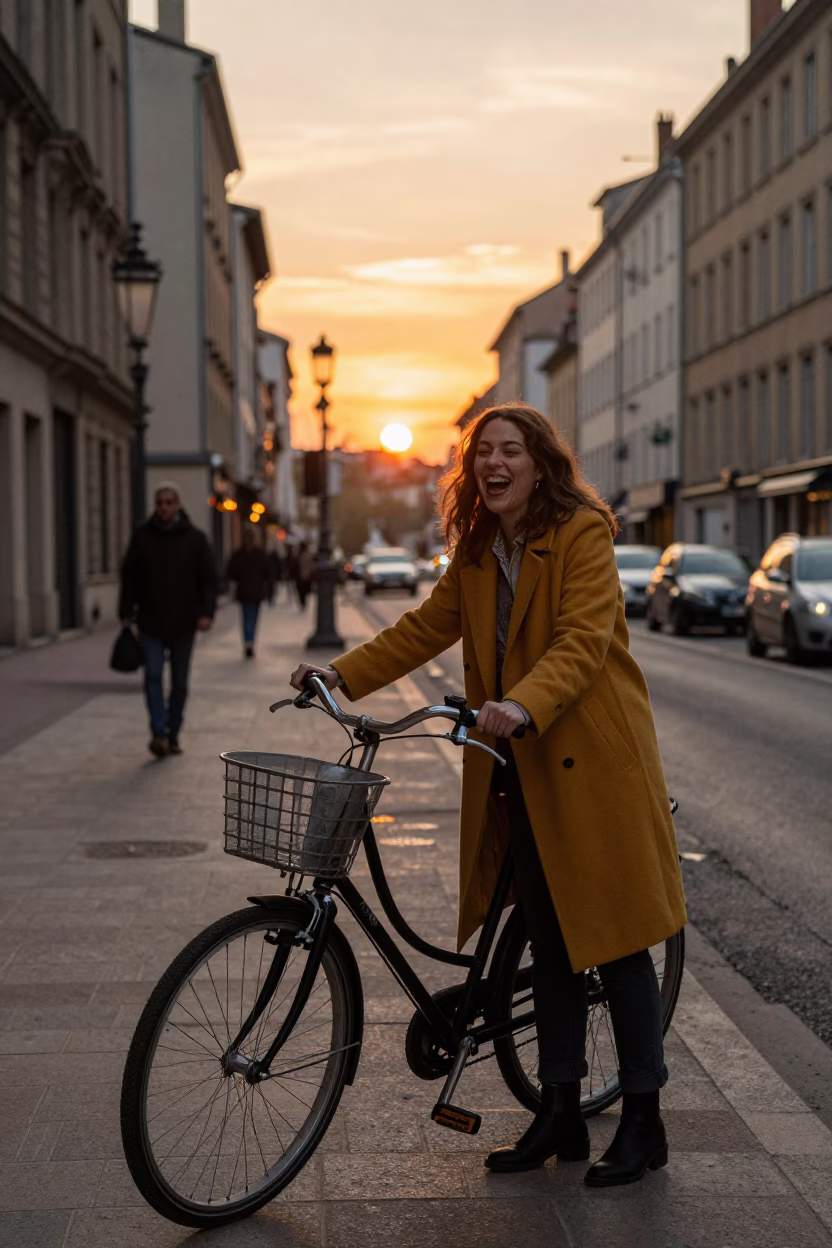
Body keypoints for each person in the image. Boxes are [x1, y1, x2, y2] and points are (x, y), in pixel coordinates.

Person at [291, 403, 686, 1188]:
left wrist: (524, 703)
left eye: (510, 451)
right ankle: (561, 1109)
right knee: (552, 941)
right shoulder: (477, 547)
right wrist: (342, 671)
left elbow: (584, 639)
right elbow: (425, 626)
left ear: (542, 463)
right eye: (482, 455)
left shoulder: (581, 533)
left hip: (589, 762)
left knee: (613, 941)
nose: (494, 465)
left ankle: (644, 1120)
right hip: (519, 769)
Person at [119, 482, 216, 758]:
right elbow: (129, 577)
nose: (163, 507)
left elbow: (208, 579)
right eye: (159, 503)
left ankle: (173, 734)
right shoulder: (142, 537)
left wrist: (207, 613)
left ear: (177, 505)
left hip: (184, 622)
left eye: (168, 502)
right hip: (150, 622)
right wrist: (126, 613)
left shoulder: (195, 539)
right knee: (152, 677)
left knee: (180, 683)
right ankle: (158, 733)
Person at [227, 529, 272, 658]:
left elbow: (231, 571)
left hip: (245, 591)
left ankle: (248, 641)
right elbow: (267, 572)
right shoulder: (260, 554)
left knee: (246, 616)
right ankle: (250, 641)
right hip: (256, 591)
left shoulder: (239, 554)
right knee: (253, 618)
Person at [291, 541, 314, 609]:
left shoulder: (298, 555)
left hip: (301, 576)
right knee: (303, 590)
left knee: (301, 591)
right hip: (305, 576)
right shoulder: (307, 555)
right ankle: (303, 602)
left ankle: (302, 602)